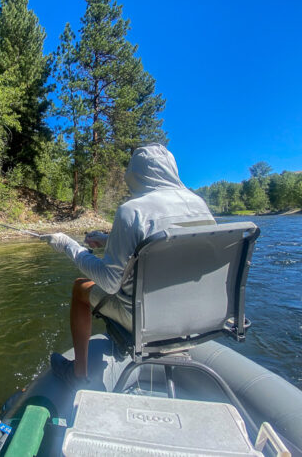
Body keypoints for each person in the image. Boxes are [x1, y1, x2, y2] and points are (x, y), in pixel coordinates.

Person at [42, 144, 215, 388]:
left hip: (146, 319)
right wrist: (108, 241)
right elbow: (164, 249)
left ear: (135, 173)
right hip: (193, 318)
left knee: (81, 287)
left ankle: (78, 372)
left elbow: (110, 283)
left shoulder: (131, 211)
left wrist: (67, 245)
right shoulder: (199, 206)